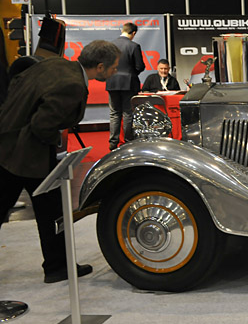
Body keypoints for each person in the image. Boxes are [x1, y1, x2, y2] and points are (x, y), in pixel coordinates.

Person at [0, 40, 120, 283]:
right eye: (114, 67)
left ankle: (58, 266)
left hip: (11, 144)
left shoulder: (55, 66)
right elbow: (42, 126)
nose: (115, 71)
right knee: (51, 211)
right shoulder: (72, 84)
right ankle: (57, 266)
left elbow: (15, 84)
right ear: (100, 67)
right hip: (25, 154)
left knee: (50, 209)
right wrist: (55, 141)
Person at [106, 22, 145, 150]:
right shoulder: (133, 46)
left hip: (112, 82)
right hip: (129, 83)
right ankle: (128, 141)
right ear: (133, 33)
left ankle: (113, 142)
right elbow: (139, 66)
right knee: (128, 113)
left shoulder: (110, 45)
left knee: (114, 113)